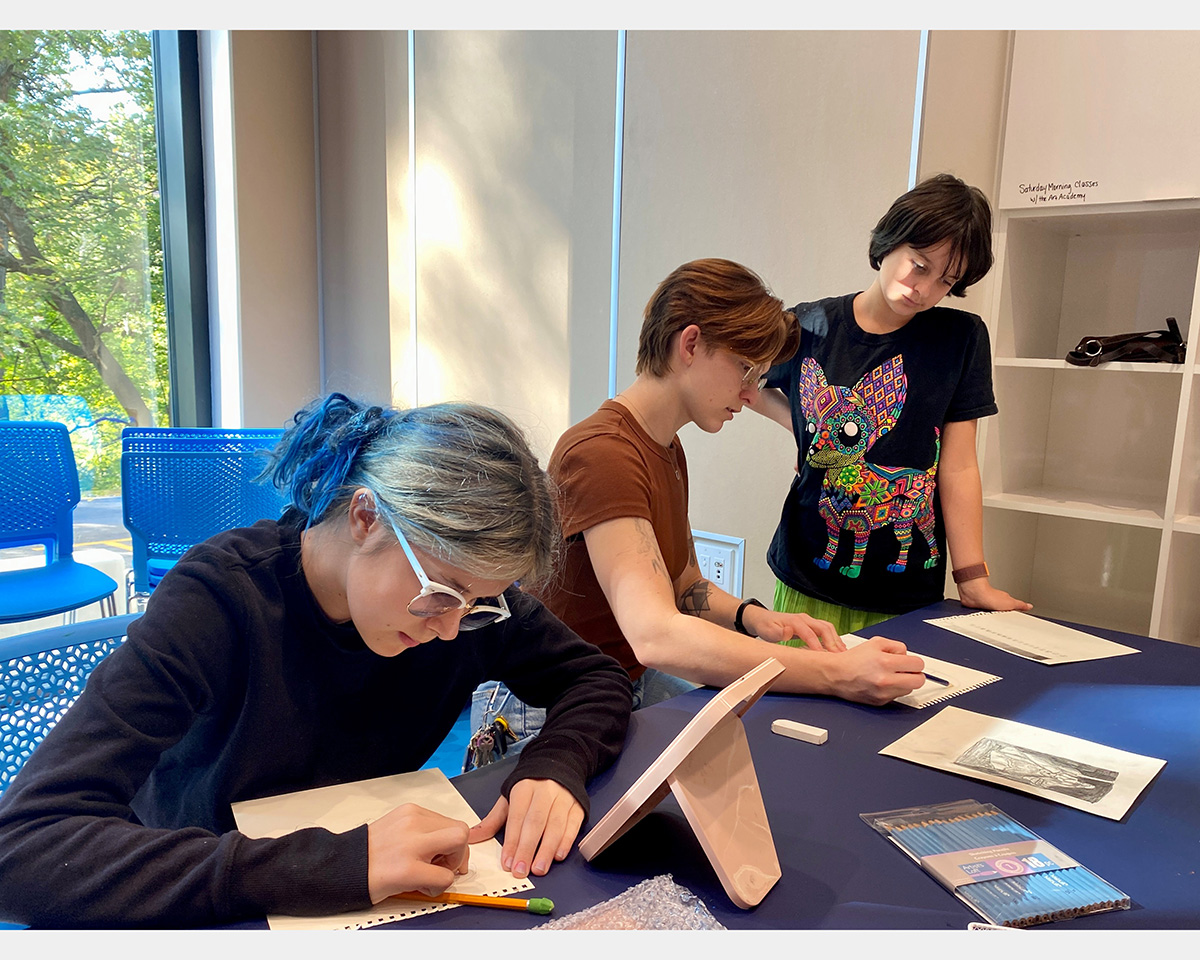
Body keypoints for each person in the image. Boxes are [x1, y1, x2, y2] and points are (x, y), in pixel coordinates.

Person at [0, 394, 632, 928]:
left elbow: (595, 676)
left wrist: (555, 764)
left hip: (357, 897)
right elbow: (23, 847)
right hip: (200, 891)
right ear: (364, 516)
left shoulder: (468, 604)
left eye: (477, 605)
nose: (448, 631)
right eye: (438, 594)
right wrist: (327, 865)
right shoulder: (218, 602)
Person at [471, 259, 930, 751]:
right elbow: (657, 634)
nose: (752, 393)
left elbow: (682, 582)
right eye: (746, 369)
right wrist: (836, 673)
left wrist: (756, 619)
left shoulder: (666, 446)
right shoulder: (602, 452)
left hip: (623, 678)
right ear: (690, 344)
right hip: (550, 703)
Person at [749, 173, 1032, 637]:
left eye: (947, 280)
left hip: (905, 589)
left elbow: (957, 465)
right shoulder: (809, 325)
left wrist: (973, 578)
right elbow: (747, 383)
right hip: (806, 572)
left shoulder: (959, 340)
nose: (925, 287)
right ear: (889, 243)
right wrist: (802, 430)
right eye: (919, 265)